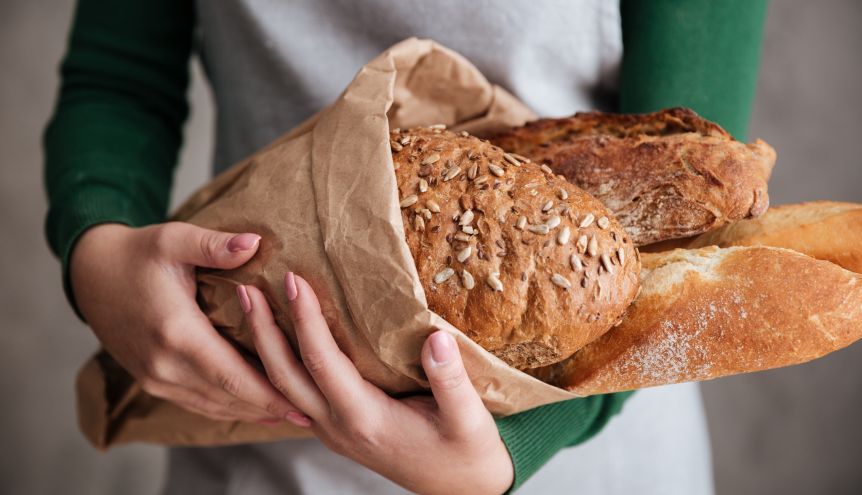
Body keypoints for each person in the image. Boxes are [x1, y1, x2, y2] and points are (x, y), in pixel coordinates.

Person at [44, 0, 767, 493]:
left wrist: (511, 453)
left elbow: (694, 208)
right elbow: (120, 79)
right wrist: (100, 252)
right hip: (253, 415)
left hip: (575, 445)